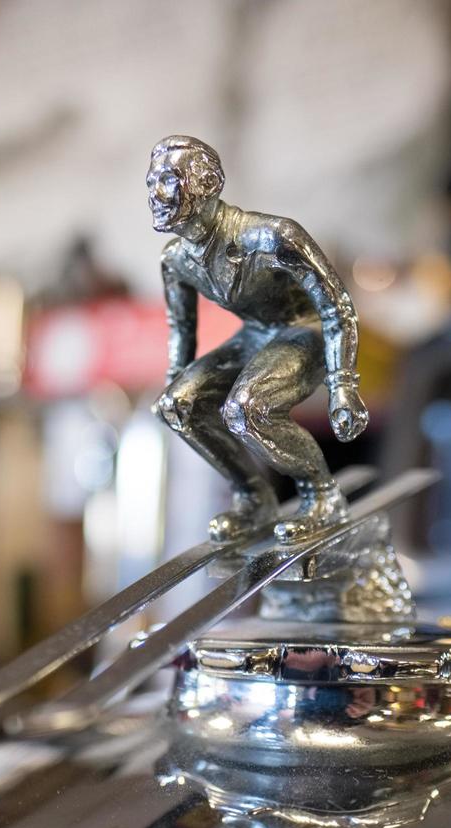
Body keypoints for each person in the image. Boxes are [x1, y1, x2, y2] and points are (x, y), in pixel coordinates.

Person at [147, 135, 368, 543]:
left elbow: (336, 304)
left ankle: (322, 494)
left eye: (168, 180)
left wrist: (342, 385)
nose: (155, 194)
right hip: (257, 336)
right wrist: (177, 378)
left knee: (246, 409)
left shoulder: (270, 237)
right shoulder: (175, 259)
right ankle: (253, 496)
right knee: (177, 406)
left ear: (208, 184)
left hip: (308, 330)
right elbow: (181, 329)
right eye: (151, 183)